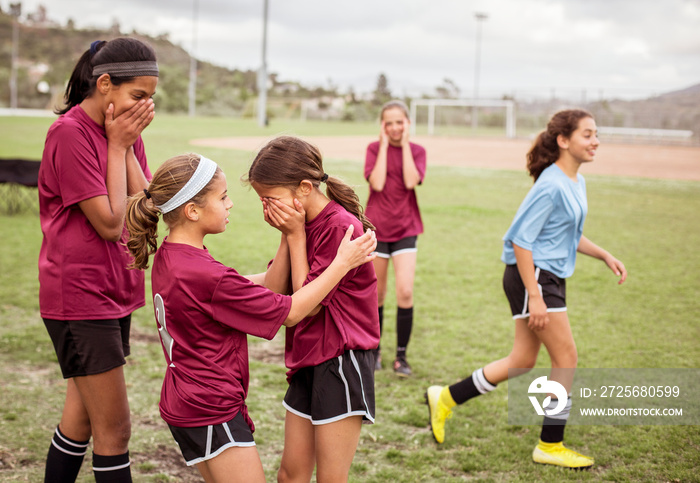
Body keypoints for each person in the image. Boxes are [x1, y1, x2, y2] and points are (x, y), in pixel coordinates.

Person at [125, 153, 377, 483]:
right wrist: (341, 263)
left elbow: (267, 287)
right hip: (210, 407)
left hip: (188, 402)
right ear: (193, 210)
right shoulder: (205, 276)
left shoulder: (173, 256)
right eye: (223, 196)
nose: (230, 204)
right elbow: (293, 311)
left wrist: (288, 234)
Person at [425, 109, 627, 469]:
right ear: (564, 141)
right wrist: (534, 295)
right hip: (533, 276)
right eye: (587, 134)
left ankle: (445, 397)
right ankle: (550, 445)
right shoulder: (550, 183)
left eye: (596, 134)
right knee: (566, 358)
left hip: (544, 276)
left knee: (522, 361)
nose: (595, 141)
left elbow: (568, 233)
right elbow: (520, 240)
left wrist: (604, 254)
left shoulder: (575, 181)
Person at [38, 38, 158, 483]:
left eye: (151, 97)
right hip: (80, 297)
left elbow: (145, 207)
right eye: (138, 96)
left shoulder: (124, 131)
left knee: (81, 422)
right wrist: (116, 146)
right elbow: (111, 223)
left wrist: (124, 146)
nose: (146, 107)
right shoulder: (69, 133)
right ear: (105, 84)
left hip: (114, 291)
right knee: (116, 431)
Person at [246, 136, 380, 483]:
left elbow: (308, 305)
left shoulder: (339, 226)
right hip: (307, 356)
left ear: (305, 188)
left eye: (270, 199)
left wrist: (294, 236)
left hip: (340, 360)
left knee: (330, 479)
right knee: (290, 475)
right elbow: (278, 290)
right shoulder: (301, 223)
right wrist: (288, 233)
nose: (267, 209)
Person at [364, 100, 427, 376]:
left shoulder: (417, 151)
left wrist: (404, 147)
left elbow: (412, 181)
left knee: (405, 291)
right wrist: (385, 146)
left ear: (407, 124)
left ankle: (401, 357)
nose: (394, 127)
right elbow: (376, 183)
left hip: (406, 227)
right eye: (388, 123)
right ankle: (374, 351)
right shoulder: (373, 149)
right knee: (377, 294)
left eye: (399, 122)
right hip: (377, 228)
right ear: (382, 126)